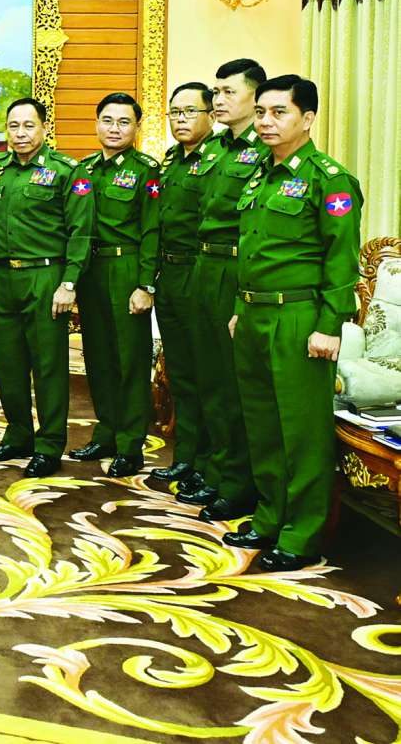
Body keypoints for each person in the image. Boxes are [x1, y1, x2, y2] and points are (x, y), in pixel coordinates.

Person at [225, 75, 362, 571]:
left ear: (307, 119)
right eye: (261, 111)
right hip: (254, 313)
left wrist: (330, 325)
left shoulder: (330, 180)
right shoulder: (259, 176)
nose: (266, 121)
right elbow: (252, 251)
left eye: (279, 112)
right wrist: (240, 308)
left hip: (299, 318)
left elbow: (341, 259)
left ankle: (302, 535)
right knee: (262, 426)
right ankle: (269, 517)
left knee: (301, 432)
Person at [0, 97, 94, 478]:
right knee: (5, 363)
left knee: (48, 366)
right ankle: (18, 434)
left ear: (45, 128)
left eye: (29, 125)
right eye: (14, 126)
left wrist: (69, 282)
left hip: (46, 278)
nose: (21, 133)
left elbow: (80, 232)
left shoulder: (66, 171)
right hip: (1, 279)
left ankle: (49, 444)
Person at [184, 58, 268, 521]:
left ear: (256, 97)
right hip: (204, 265)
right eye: (215, 92)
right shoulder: (214, 148)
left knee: (235, 385)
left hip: (236, 268)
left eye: (229, 92)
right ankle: (216, 470)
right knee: (209, 378)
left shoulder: (264, 150)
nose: (218, 100)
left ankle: (239, 483)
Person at [69, 93, 160, 477]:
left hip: (127, 270)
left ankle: (130, 444)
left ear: (137, 127)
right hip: (92, 272)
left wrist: (146, 284)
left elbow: (153, 230)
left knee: (129, 362)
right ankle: (105, 432)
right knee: (98, 358)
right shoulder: (85, 169)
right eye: (107, 120)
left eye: (124, 122)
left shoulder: (146, 171)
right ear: (96, 123)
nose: (114, 128)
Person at [148, 83, 218, 491]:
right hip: (170, 275)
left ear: (211, 115)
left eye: (190, 111)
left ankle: (209, 463)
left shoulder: (218, 160)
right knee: (182, 375)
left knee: (208, 376)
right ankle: (187, 457)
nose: (180, 119)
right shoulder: (171, 161)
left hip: (200, 272)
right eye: (174, 112)